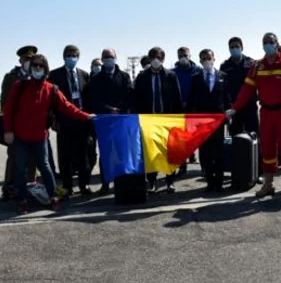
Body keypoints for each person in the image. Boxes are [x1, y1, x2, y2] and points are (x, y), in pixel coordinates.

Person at [3, 54, 94, 214]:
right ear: (30, 68)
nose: (37, 68)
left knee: (45, 168)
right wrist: (8, 130)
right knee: (19, 168)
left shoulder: (51, 89)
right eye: (34, 65)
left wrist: (86, 116)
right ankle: (23, 200)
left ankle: (53, 197)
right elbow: (8, 109)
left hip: (39, 137)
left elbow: (67, 106)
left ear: (45, 69)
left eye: (40, 66)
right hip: (20, 137)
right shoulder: (19, 86)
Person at [226, 32, 281, 199]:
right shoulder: (257, 66)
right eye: (264, 42)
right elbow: (246, 90)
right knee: (267, 148)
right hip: (266, 113)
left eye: (270, 42)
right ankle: (268, 185)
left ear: (276, 44)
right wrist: (235, 107)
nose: (267, 44)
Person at [133, 47, 184, 193]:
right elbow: (137, 99)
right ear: (149, 59)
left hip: (167, 119)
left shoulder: (171, 75)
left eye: (159, 57)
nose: (156, 60)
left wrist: (179, 120)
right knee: (151, 152)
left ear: (163, 59)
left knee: (169, 152)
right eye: (153, 57)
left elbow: (177, 99)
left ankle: (170, 181)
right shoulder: (142, 76)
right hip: (148, 120)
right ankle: (152, 182)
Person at [86, 48, 134, 194]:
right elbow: (93, 100)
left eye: (111, 57)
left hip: (121, 120)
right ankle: (105, 183)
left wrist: (119, 108)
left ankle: (121, 182)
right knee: (105, 153)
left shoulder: (124, 76)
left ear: (115, 58)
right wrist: (109, 109)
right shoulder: (95, 79)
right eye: (105, 57)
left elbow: (130, 95)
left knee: (122, 151)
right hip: (105, 121)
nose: (108, 60)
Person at [48, 45, 93, 197]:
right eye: (68, 55)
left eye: (74, 55)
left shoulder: (84, 75)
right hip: (64, 121)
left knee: (83, 155)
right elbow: (51, 101)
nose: (71, 58)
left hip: (82, 121)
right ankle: (67, 187)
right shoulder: (54, 75)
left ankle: (84, 184)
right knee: (65, 156)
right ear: (63, 57)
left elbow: (88, 98)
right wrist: (53, 118)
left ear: (78, 57)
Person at [188, 49, 232, 192]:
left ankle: (219, 181)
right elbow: (191, 99)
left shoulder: (223, 76)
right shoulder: (195, 78)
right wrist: (189, 118)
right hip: (201, 121)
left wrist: (228, 113)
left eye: (209, 58)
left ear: (214, 58)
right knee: (205, 152)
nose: (207, 60)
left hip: (218, 120)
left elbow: (227, 98)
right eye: (204, 59)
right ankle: (210, 180)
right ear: (200, 61)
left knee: (218, 151)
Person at [220, 37, 263, 184]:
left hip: (250, 106)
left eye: (236, 46)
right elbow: (223, 89)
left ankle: (258, 172)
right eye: (231, 47)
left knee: (255, 137)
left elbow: (259, 83)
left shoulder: (251, 63)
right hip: (234, 109)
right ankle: (237, 170)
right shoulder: (225, 66)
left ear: (242, 47)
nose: (234, 49)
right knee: (235, 139)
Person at [0, 45, 38, 200]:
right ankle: (8, 187)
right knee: (14, 157)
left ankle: (30, 185)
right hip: (16, 125)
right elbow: (4, 102)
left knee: (33, 158)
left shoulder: (38, 75)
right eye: (27, 59)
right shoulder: (11, 77)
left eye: (32, 59)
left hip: (34, 125)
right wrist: (8, 127)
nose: (29, 61)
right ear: (20, 60)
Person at [173, 46, 202, 172]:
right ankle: (182, 164)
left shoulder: (198, 70)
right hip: (179, 108)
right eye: (180, 56)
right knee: (180, 138)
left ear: (190, 55)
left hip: (194, 108)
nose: (183, 58)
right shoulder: (174, 72)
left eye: (185, 55)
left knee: (193, 136)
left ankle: (192, 154)